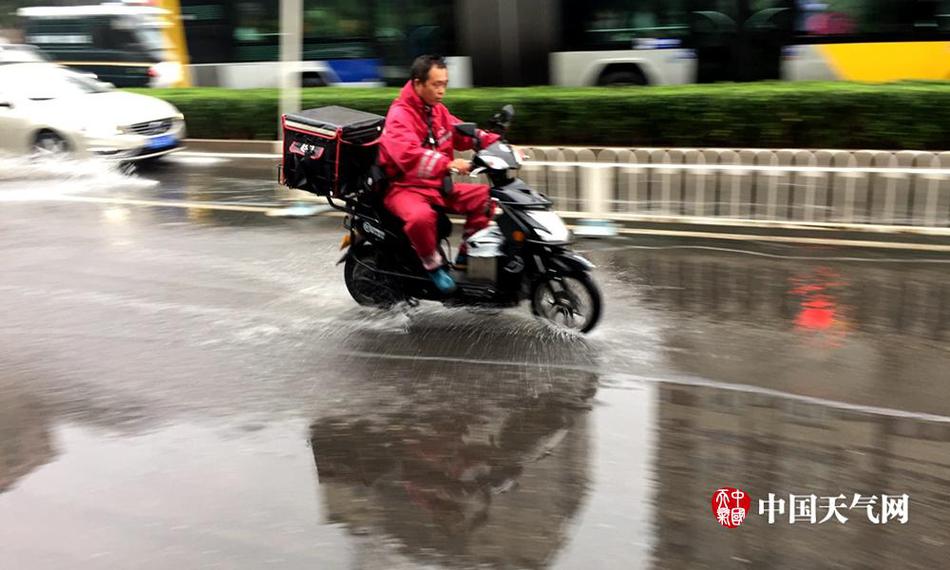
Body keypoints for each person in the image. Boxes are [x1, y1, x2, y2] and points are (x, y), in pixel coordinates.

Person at [377, 54, 500, 294]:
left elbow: (462, 132)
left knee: (486, 197)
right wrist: (448, 164)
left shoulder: (436, 110)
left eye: (445, 84)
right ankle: (432, 265)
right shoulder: (399, 115)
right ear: (417, 83)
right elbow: (409, 155)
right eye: (436, 84)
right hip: (405, 188)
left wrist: (497, 144)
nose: (442, 90)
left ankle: (466, 254)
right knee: (421, 218)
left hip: (436, 185)